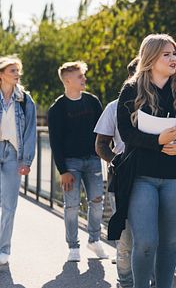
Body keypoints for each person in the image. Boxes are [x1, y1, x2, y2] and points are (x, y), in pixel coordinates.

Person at [110, 34, 176, 288]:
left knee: (169, 243)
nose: (173, 58)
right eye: (167, 54)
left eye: (175, 53)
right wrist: (157, 141)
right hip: (141, 175)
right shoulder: (131, 89)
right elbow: (126, 132)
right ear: (151, 58)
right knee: (145, 243)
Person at [47, 61, 108, 262]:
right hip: (70, 164)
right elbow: (55, 141)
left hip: (93, 160)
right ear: (68, 80)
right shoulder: (57, 108)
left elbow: (103, 132)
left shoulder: (92, 101)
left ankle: (94, 239)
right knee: (71, 205)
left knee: (97, 201)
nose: (84, 79)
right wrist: (62, 170)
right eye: (80, 76)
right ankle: (73, 247)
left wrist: (105, 155)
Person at [94, 57, 139, 288]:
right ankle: (125, 283)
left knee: (150, 239)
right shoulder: (114, 107)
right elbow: (101, 144)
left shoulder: (165, 104)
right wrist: (116, 161)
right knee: (126, 239)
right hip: (121, 178)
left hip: (154, 176)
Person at [0, 56, 36, 266]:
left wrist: (27, 160)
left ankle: (4, 249)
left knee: (10, 205)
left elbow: (30, 131)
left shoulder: (24, 99)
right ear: (2, 73)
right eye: (13, 70)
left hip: (14, 154)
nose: (17, 74)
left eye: (18, 71)